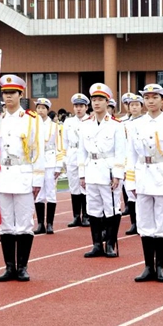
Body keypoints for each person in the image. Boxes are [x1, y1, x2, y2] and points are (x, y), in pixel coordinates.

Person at [125, 83, 163, 282]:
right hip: (142, 175)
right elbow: (130, 154)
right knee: (145, 223)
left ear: (162, 99)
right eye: (147, 97)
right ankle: (148, 266)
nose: (150, 101)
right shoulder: (135, 125)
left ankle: (160, 267)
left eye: (154, 97)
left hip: (162, 176)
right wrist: (130, 182)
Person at [0, 74, 45, 282]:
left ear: (20, 94)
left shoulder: (32, 120)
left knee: (23, 224)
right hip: (3, 176)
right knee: (6, 224)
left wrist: (37, 180)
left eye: (12, 93)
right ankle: (9, 267)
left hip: (23, 174)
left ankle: (22, 267)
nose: (8, 97)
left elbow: (38, 150)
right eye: (5, 93)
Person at [78, 83, 126, 258]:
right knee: (93, 209)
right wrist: (81, 174)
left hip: (108, 170)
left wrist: (118, 174)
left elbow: (121, 152)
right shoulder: (85, 124)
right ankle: (97, 244)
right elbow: (81, 151)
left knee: (112, 208)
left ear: (108, 102)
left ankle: (110, 244)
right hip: (91, 169)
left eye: (100, 100)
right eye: (94, 99)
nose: (96, 103)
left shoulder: (116, 125)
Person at [33, 98, 63, 235]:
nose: (40, 111)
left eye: (43, 108)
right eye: (38, 108)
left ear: (47, 110)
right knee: (38, 194)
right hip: (37, 162)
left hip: (50, 161)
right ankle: (40, 224)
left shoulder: (55, 126)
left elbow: (59, 146)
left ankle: (50, 224)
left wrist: (58, 166)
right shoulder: (32, 125)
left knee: (51, 193)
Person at [63, 93, 91, 227]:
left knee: (85, 186)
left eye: (81, 106)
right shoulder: (68, 122)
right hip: (72, 154)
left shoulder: (91, 120)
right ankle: (76, 216)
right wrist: (64, 157)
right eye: (76, 106)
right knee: (74, 187)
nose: (78, 109)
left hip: (85, 155)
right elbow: (65, 141)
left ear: (86, 107)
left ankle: (86, 216)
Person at [121, 93, 145, 235]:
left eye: (137, 105)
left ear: (141, 107)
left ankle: (143, 223)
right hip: (127, 161)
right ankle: (134, 223)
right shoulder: (124, 123)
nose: (134, 107)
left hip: (141, 162)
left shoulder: (145, 122)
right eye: (131, 105)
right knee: (130, 194)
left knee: (142, 193)